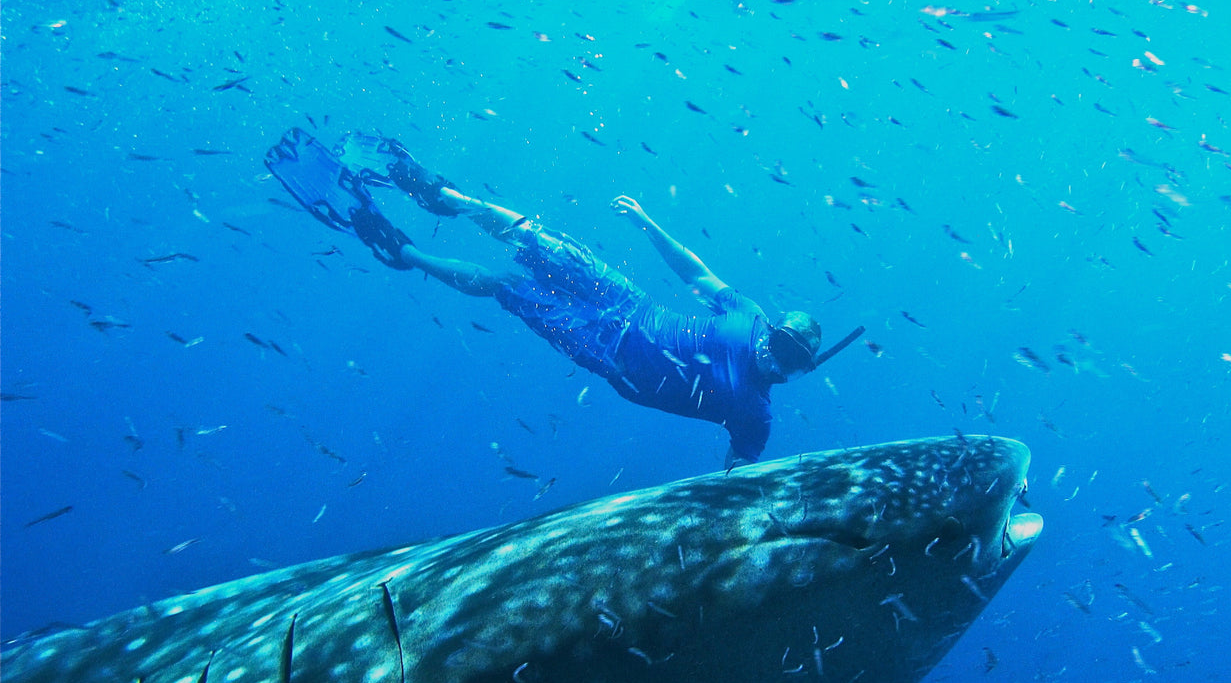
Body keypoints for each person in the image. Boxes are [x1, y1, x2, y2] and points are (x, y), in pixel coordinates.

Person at [265, 128, 862, 466]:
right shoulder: (747, 315)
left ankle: (405, 253)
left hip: (609, 352)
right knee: (530, 234)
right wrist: (648, 223)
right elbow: (695, 272)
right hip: (627, 301)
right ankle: (438, 193)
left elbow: (735, 478)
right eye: (780, 344)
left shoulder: (755, 416)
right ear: (771, 329)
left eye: (791, 361)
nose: (776, 358)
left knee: (507, 286)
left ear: (802, 370)